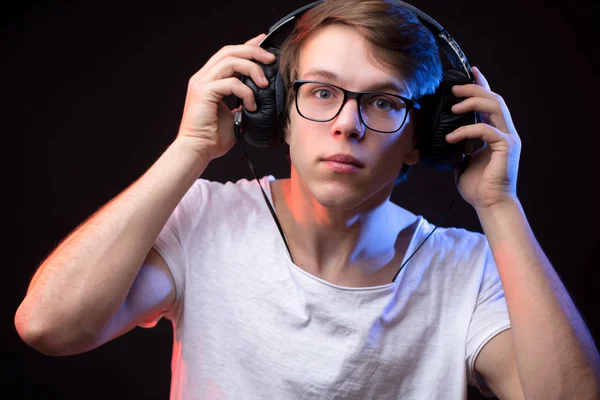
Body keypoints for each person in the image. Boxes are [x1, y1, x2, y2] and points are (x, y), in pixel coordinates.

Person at [15, 0, 600, 399]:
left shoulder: (469, 271)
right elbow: (49, 327)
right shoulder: (201, 219)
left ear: (422, 139)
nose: (347, 123)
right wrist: (190, 148)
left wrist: (501, 207)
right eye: (321, 92)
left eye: (384, 102)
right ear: (278, 118)